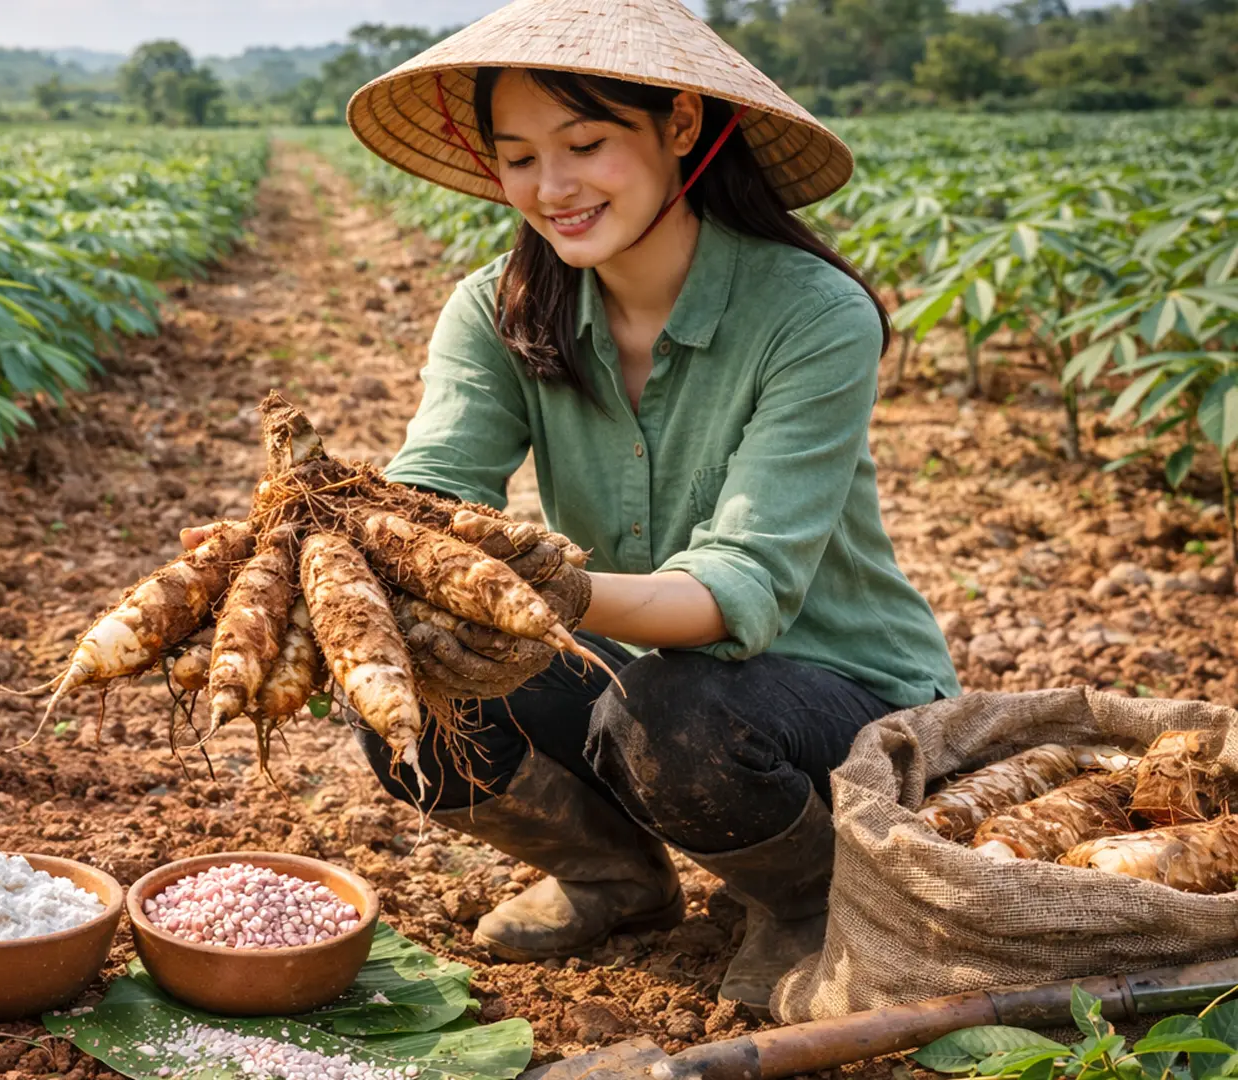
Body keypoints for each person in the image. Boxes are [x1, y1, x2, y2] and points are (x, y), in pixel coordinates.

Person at [333, 0, 963, 1015]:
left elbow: (733, 586)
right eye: (520, 157)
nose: (553, 187)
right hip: (642, 664)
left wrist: (540, 590)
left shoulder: (813, 315)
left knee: (672, 711)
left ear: (679, 127)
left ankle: (807, 904)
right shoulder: (497, 310)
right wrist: (346, 547)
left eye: (587, 143)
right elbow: (438, 487)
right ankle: (614, 879)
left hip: (839, 690)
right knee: (402, 693)